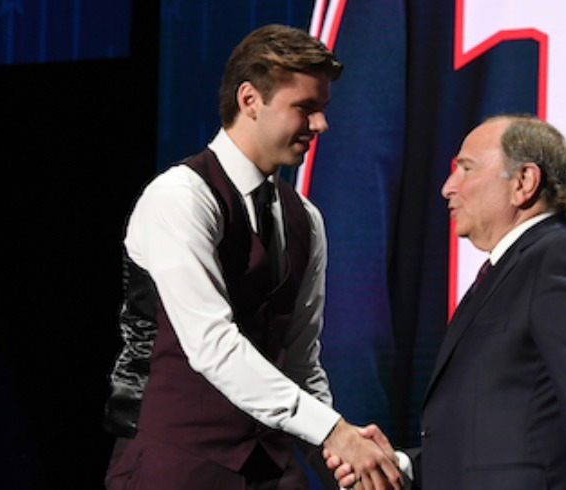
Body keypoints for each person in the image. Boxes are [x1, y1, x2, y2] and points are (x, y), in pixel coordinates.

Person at [102, 24, 402, 490]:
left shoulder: (305, 219)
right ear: (249, 100)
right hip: (176, 466)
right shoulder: (179, 197)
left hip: (272, 472)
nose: (320, 125)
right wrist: (333, 432)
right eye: (305, 108)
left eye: (322, 110)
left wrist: (337, 455)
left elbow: (301, 361)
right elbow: (213, 345)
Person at [327, 114, 566, 489]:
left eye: (466, 169)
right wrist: (400, 466)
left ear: (523, 182)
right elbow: (494, 441)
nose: (447, 187)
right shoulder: (502, 274)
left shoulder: (559, 259)